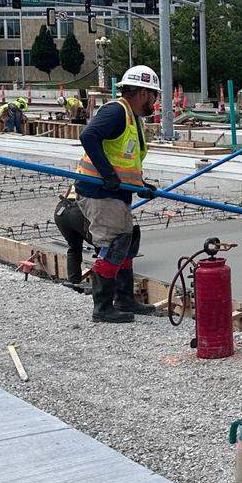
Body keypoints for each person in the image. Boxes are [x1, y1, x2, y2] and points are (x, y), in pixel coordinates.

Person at [75, 65, 160, 323]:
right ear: (143, 93)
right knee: (113, 243)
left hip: (115, 192)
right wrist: (109, 175)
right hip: (99, 191)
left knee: (128, 240)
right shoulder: (116, 111)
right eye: (154, 96)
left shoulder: (132, 118)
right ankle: (103, 307)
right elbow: (88, 136)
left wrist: (141, 186)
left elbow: (126, 159)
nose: (155, 102)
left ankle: (124, 299)